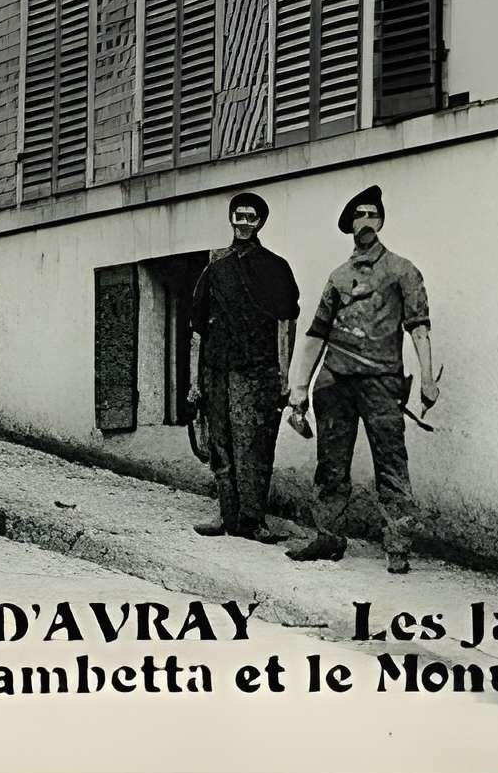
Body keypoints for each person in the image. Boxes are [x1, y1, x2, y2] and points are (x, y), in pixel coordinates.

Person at [285, 185, 437, 574]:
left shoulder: (402, 270)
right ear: (350, 225)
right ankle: (328, 537)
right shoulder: (338, 277)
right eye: (359, 216)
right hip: (335, 383)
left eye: (372, 214)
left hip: (382, 383)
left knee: (391, 465)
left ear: (381, 222)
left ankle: (398, 546)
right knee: (330, 466)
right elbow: (316, 334)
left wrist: (427, 378)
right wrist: (299, 389)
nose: (366, 221)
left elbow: (418, 326)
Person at [184, 190, 297, 542]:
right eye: (238, 216)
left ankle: (254, 520)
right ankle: (226, 515)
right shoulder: (215, 268)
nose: (243, 223)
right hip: (217, 369)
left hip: (257, 371)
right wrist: (194, 381)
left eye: (251, 217)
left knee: (255, 445)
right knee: (220, 443)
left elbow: (286, 323)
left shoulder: (275, 267)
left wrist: (284, 375)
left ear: (260, 222)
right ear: (231, 219)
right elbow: (197, 328)